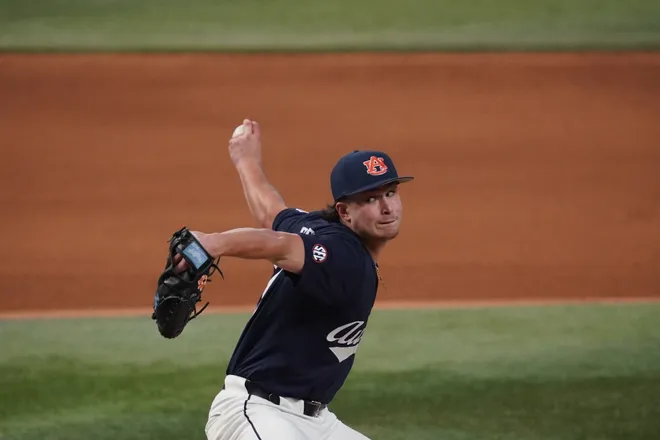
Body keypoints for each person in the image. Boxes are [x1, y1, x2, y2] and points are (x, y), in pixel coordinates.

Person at [180, 119, 413, 440]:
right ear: (345, 212)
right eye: (371, 199)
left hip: (315, 422)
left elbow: (272, 213)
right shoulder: (344, 257)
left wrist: (246, 161)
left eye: (390, 193)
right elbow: (281, 245)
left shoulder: (317, 226)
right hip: (257, 412)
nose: (387, 207)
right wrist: (211, 243)